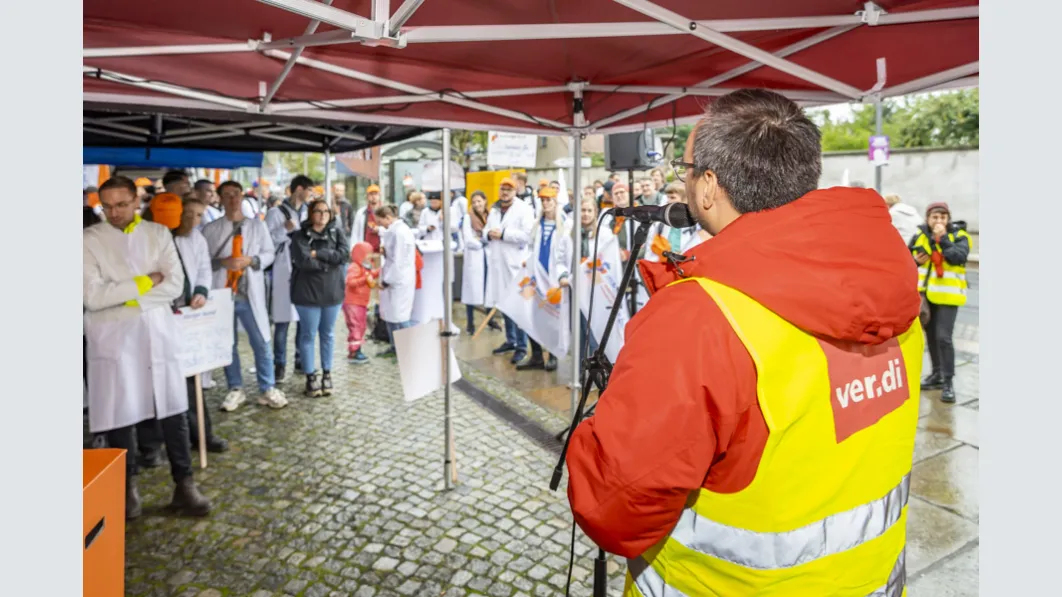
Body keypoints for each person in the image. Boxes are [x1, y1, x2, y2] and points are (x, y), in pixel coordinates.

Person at [566, 89, 922, 596]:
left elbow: (615, 508)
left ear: (709, 186)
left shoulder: (700, 319)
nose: (684, 180)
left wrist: (597, 428)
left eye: (686, 168)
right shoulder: (893, 286)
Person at [84, 176, 210, 519]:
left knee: (173, 408)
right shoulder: (89, 240)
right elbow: (93, 297)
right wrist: (145, 282)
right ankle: (126, 487)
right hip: (114, 339)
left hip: (157, 333)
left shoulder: (158, 234)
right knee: (119, 413)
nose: (114, 212)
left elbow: (175, 285)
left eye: (121, 205)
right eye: (107, 207)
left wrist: (127, 299)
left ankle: (184, 483)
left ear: (136, 202)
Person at [146, 193, 229, 453]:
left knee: (191, 377)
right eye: (188, 214)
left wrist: (201, 291)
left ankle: (201, 434)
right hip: (158, 314)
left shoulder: (196, 238)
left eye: (198, 215)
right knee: (156, 378)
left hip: (187, 313)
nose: (193, 220)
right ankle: (154, 443)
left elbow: (204, 268)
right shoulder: (151, 239)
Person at [202, 180, 289, 411]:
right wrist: (223, 262)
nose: (232, 199)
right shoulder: (211, 230)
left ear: (242, 196)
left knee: (261, 341)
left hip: (250, 294)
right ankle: (235, 387)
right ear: (220, 198)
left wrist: (251, 260)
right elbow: (202, 261)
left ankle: (267, 387)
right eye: (227, 195)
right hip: (223, 294)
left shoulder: (256, 226)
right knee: (227, 342)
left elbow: (269, 253)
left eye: (236, 194)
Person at [289, 199, 350, 397]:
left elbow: (344, 255)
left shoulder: (336, 232)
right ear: (310, 213)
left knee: (328, 334)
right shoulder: (300, 235)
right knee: (308, 335)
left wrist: (319, 253)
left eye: (326, 211)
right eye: (318, 211)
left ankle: (327, 374)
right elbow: (304, 261)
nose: (323, 215)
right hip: (307, 293)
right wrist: (330, 263)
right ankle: (310, 376)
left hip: (332, 292)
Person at [912, 202, 971, 403]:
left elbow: (958, 257)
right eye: (935, 217)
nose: (939, 221)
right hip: (925, 297)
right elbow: (906, 259)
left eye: (943, 217)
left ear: (948, 219)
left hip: (948, 296)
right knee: (931, 338)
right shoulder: (920, 235)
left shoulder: (959, 236)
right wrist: (916, 262)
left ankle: (948, 382)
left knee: (943, 338)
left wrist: (943, 238)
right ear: (927, 219)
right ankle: (936, 375)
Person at [518, 187, 570, 372]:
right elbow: (530, 247)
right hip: (536, 278)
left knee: (553, 319)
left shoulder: (565, 225)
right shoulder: (537, 224)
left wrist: (563, 275)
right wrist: (527, 261)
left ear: (556, 202)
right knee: (532, 317)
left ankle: (553, 355)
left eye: (549, 200)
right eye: (543, 200)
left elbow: (566, 253)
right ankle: (536, 355)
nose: (546, 203)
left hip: (554, 279)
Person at [483, 178, 535, 365]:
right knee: (503, 303)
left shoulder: (524, 209)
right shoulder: (495, 209)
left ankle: (521, 346)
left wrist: (504, 234)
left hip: (515, 264)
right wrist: (488, 234)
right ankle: (510, 340)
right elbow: (486, 230)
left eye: (509, 189)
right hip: (498, 263)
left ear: (515, 191)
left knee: (517, 306)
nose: (505, 192)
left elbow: (528, 235)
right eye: (502, 189)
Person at [266, 175, 312, 382]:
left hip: (304, 269)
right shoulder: (275, 213)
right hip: (283, 269)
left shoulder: (309, 212)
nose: (310, 194)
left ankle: (301, 359)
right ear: (299, 189)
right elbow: (266, 241)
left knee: (304, 318)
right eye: (309, 190)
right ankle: (279, 364)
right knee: (282, 319)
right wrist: (284, 230)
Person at [374, 204, 417, 357]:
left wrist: (387, 280)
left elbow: (399, 260)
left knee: (401, 316)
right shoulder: (395, 231)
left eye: (381, 222)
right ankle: (395, 346)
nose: (381, 225)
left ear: (388, 218)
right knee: (391, 315)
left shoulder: (400, 232)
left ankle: (407, 348)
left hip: (399, 279)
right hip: (395, 276)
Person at [461, 191, 490, 335]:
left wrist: (483, 238)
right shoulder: (468, 217)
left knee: (489, 289)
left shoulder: (490, 215)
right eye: (474, 202)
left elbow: (492, 233)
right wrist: (481, 242)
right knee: (471, 290)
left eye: (479, 201)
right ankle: (470, 322)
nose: (477, 204)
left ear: (485, 201)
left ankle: (490, 319)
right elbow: (468, 238)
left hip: (488, 256)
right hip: (475, 255)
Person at [343, 241, 377, 364]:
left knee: (361, 326)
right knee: (356, 327)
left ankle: (355, 350)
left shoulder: (364, 267)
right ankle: (354, 351)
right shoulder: (354, 267)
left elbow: (370, 275)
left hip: (361, 302)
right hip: (353, 303)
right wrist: (365, 279)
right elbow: (350, 282)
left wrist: (378, 271)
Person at [351, 184, 384, 253]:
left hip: (381, 250)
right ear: (367, 197)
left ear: (379, 196)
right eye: (371, 194)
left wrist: (379, 230)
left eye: (376, 194)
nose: (374, 197)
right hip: (365, 250)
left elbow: (391, 230)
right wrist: (353, 249)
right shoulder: (361, 212)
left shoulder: (385, 211)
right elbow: (355, 232)